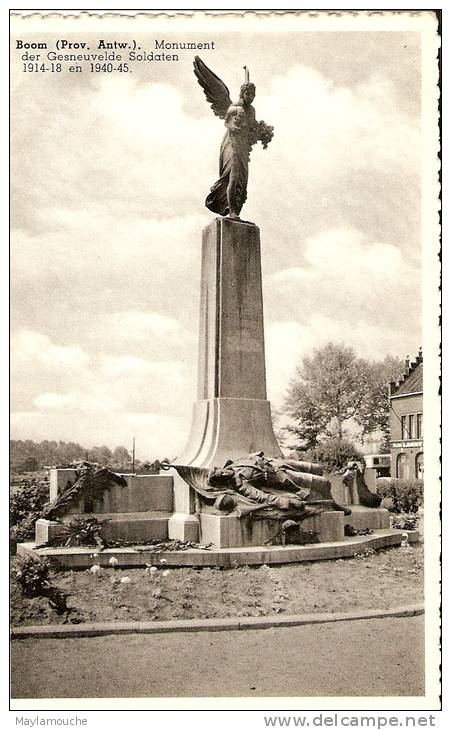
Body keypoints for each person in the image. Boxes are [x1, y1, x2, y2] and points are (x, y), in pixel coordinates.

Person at [206, 82, 256, 218]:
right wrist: (236, 127)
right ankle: (232, 211)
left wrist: (258, 133)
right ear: (242, 93)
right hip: (231, 144)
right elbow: (227, 123)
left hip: (242, 147)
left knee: (242, 181)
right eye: (248, 93)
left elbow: (252, 129)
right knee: (233, 178)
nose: (251, 97)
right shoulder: (235, 107)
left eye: (253, 94)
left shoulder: (251, 110)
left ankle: (236, 211)